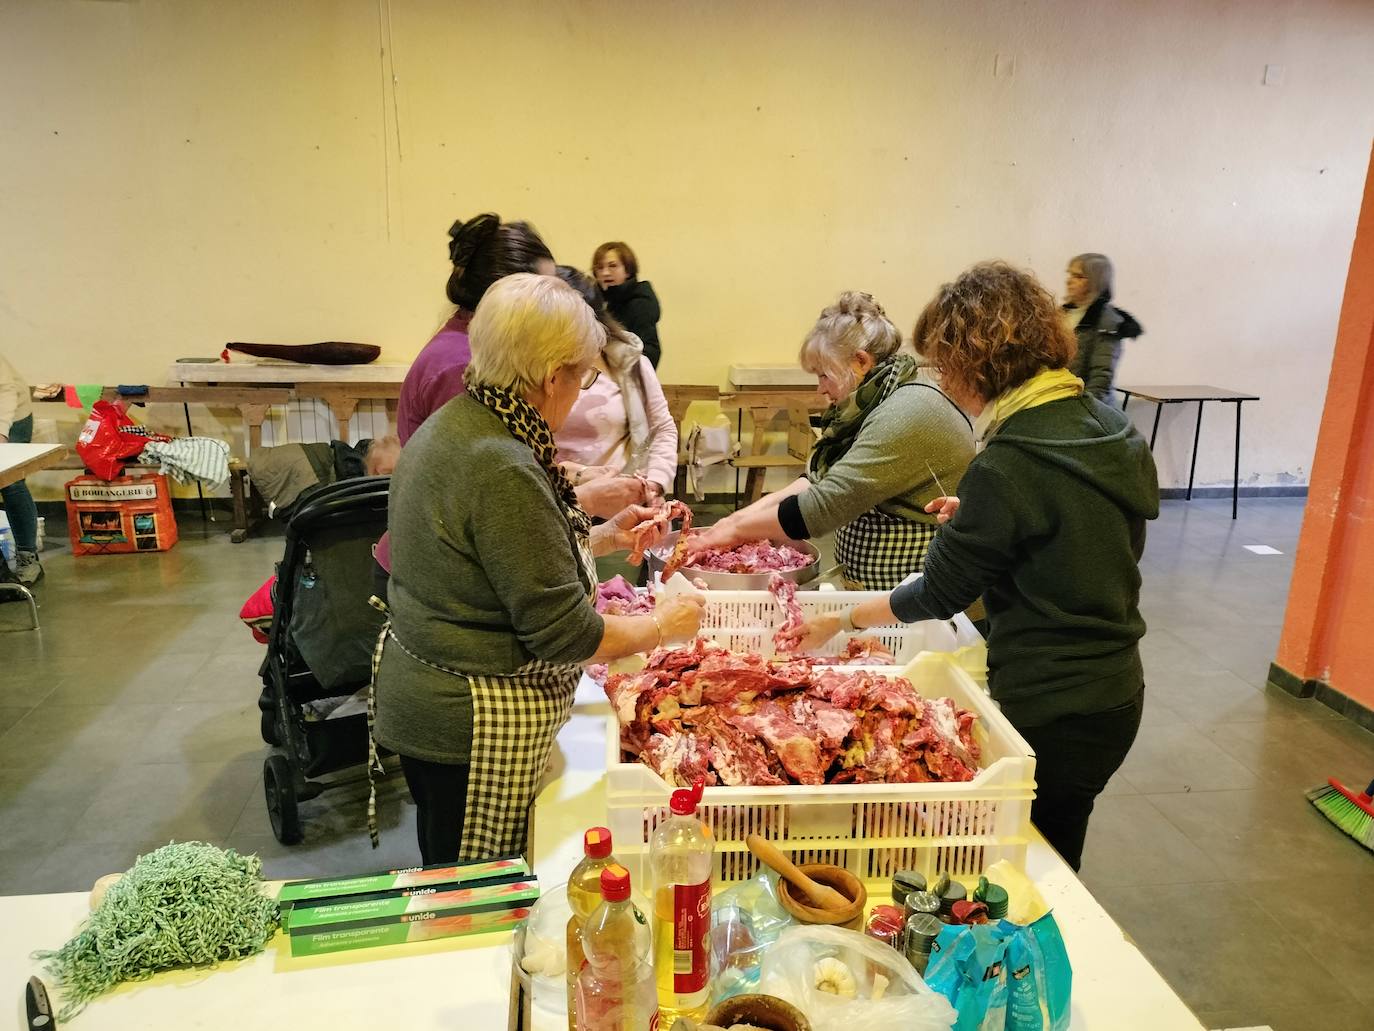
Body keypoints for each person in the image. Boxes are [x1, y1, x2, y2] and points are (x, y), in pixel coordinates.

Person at [798, 262, 1159, 871]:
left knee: (1022, 864)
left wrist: (843, 619)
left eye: (943, 362)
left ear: (974, 360)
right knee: (1060, 841)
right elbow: (1098, 541)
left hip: (1050, 703)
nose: (941, 378)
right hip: (1117, 693)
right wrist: (991, 521)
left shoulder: (1011, 460)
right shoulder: (1110, 428)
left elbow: (938, 593)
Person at [374, 273, 704, 864]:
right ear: (553, 377)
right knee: (469, 897)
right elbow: (567, 636)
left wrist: (599, 535)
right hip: (468, 721)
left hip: (441, 697)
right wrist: (664, 626)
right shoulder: (500, 462)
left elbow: (498, 558)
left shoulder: (468, 420)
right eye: (582, 376)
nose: (581, 390)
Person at [687, 292, 974, 590]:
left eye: (824, 375)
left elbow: (826, 505)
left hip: (923, 590)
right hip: (880, 591)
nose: (821, 389)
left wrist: (734, 531)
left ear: (860, 362)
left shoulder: (907, 411)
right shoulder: (878, 400)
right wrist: (731, 522)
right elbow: (815, 481)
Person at [397, 214, 556, 444]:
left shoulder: (474, 347)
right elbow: (475, 471)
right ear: (504, 295)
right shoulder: (462, 364)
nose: (555, 307)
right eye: (544, 294)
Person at [553, 266, 678, 518]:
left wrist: (653, 483)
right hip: (554, 504)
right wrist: (576, 474)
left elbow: (662, 428)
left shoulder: (628, 363)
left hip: (618, 506)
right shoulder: (534, 371)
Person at [1063, 253, 1142, 406]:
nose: (1069, 281)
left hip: (1086, 408)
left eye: (1079, 277)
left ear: (1095, 282)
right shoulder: (1060, 315)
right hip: (1058, 402)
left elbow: (1101, 377)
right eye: (1070, 274)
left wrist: (1084, 410)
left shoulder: (1107, 322)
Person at [0, 351, 42, 586]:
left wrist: (1, 432)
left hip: (11, 414)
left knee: (10, 481)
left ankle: (28, 558)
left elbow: (5, 391)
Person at [593, 241, 662, 368]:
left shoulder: (640, 303)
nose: (605, 273)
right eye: (600, 267)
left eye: (612, 266)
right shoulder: (598, 301)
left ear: (628, 271)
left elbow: (649, 352)